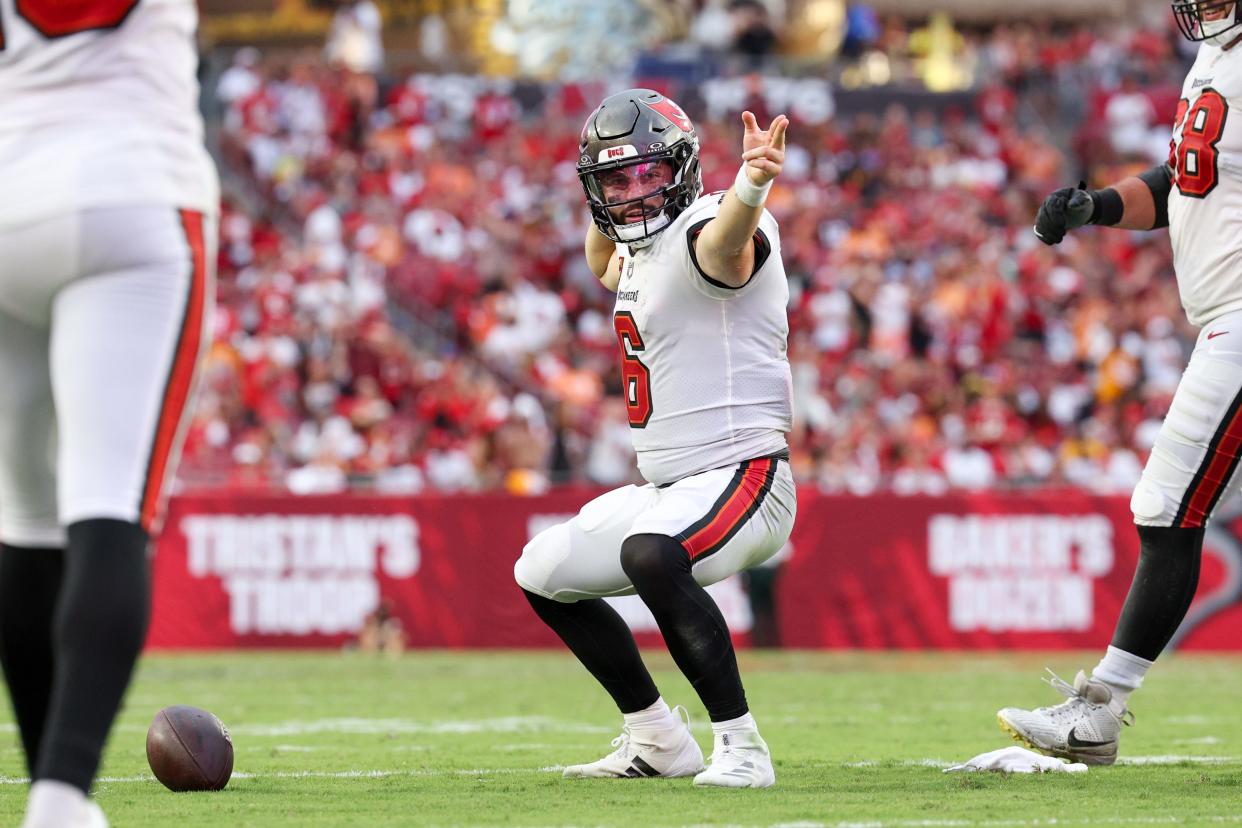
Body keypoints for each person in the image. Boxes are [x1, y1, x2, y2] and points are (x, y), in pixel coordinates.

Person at [514, 88, 796, 788]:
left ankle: (743, 748)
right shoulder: (638, 251)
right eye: (616, 179)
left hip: (747, 476)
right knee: (542, 572)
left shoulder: (709, 225)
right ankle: (658, 738)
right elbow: (603, 258)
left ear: (686, 170)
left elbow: (726, 247)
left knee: (650, 553)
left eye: (648, 173)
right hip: (672, 486)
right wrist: (605, 197)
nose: (635, 193)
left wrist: (753, 181)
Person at [997, 0, 1242, 767]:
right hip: (1221, 314)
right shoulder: (1214, 60)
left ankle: (1099, 709)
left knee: (1168, 503)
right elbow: (1186, 181)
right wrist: (1097, 206)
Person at [0, 1, 218, 825]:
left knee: (24, 522)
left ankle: (53, 794)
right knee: (109, 505)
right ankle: (59, 795)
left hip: (4, 193)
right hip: (132, 186)